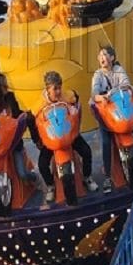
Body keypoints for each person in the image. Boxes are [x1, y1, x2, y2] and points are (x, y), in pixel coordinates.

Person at [91, 46, 133, 192]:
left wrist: (119, 90)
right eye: (100, 55)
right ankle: (107, 176)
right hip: (107, 111)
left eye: (105, 54)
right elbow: (94, 93)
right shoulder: (98, 75)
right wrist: (101, 96)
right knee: (105, 141)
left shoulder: (118, 69)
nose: (102, 58)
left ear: (112, 58)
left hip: (122, 110)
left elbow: (125, 83)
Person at [37, 71, 99, 199]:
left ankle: (87, 177)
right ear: (47, 89)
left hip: (68, 134)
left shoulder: (68, 96)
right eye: (55, 89)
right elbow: (35, 121)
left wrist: (75, 128)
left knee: (86, 151)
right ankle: (50, 185)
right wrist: (39, 140)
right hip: (52, 138)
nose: (58, 91)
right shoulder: (40, 104)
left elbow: (76, 109)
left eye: (59, 87)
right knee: (42, 164)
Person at [0, 74, 46, 193]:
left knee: (22, 173)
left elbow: (16, 116)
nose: (7, 87)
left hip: (14, 143)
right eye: (4, 85)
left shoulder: (10, 98)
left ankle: (35, 178)